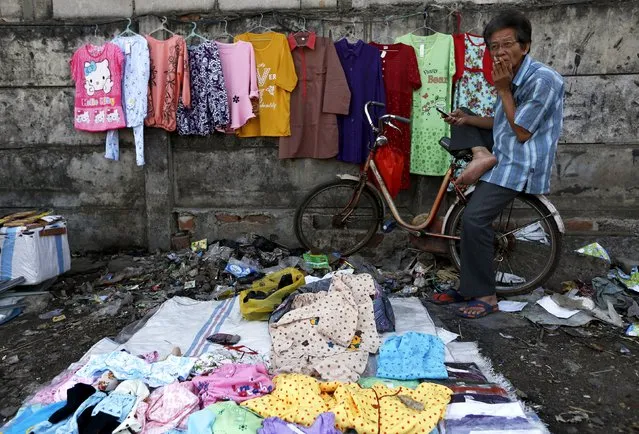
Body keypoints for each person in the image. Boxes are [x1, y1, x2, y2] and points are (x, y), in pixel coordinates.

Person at [432, 10, 565, 318]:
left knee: (474, 219)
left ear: (525, 45)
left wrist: (503, 88)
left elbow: (521, 131)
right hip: (501, 148)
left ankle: (486, 297)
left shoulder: (543, 80)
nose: (500, 52)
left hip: (520, 159)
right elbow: (501, 122)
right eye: (494, 46)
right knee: (462, 111)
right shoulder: (510, 75)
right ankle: (481, 154)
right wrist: (467, 120)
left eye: (507, 44)